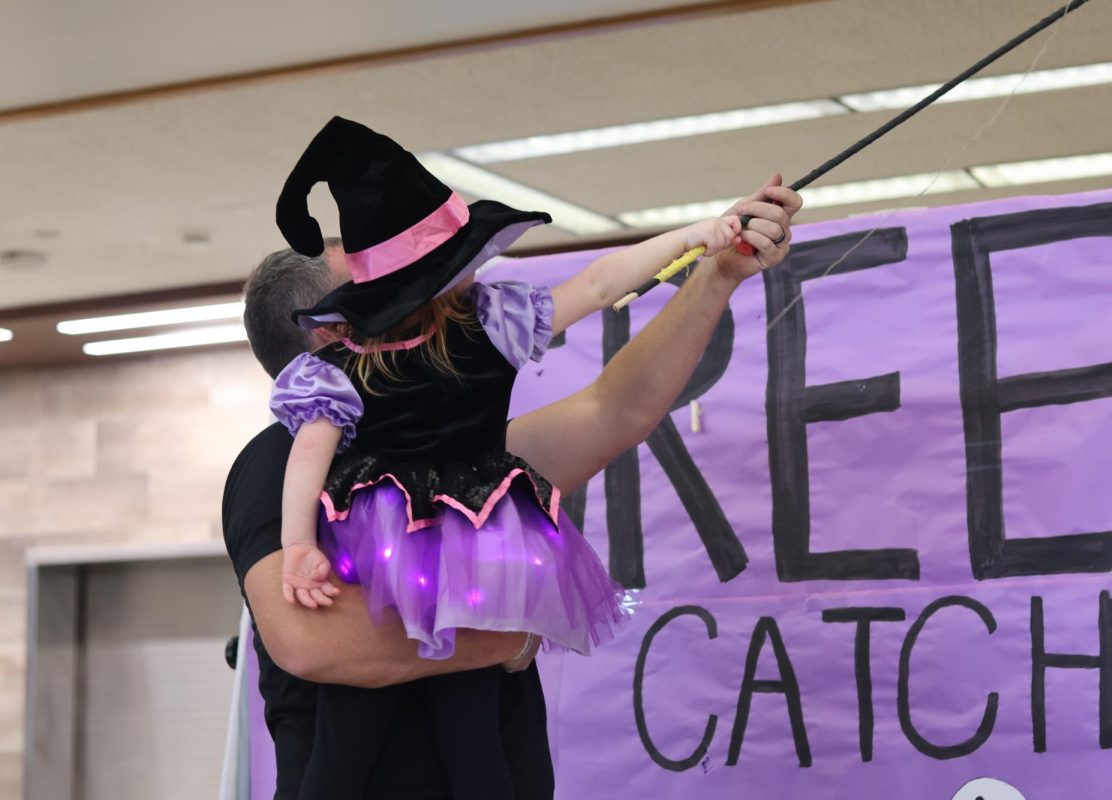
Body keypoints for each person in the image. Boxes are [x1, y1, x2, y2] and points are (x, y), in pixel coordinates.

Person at [224, 153, 802, 797]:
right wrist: (511, 631)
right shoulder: (274, 464)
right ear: (339, 334)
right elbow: (310, 642)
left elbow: (614, 410)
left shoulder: (450, 458)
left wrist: (715, 271)